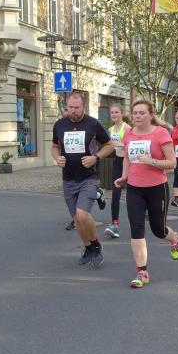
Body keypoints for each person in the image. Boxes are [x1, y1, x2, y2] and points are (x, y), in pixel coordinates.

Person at [115, 99, 178, 288]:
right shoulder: (129, 134)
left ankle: (174, 238)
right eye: (135, 113)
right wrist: (124, 176)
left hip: (156, 188)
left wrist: (151, 161)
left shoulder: (160, 133)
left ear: (150, 115)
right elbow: (127, 157)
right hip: (134, 188)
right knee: (136, 229)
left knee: (158, 230)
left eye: (141, 113)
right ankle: (142, 271)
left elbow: (172, 163)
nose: (137, 116)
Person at [52, 92, 115, 267]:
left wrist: (96, 157)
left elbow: (109, 145)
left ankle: (96, 245)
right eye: (70, 107)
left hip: (89, 177)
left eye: (77, 107)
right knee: (77, 219)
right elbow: (55, 146)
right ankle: (87, 247)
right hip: (68, 178)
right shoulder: (60, 124)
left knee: (82, 214)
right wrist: (57, 158)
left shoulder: (93, 124)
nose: (73, 111)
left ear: (84, 106)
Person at [104, 105, 131, 239]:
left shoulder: (127, 128)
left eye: (116, 112)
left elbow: (131, 146)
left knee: (134, 193)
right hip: (118, 162)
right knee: (116, 193)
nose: (114, 114)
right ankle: (115, 224)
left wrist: (122, 145)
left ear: (122, 114)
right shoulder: (110, 129)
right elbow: (109, 146)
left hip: (130, 163)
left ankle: (144, 213)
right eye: (112, 112)